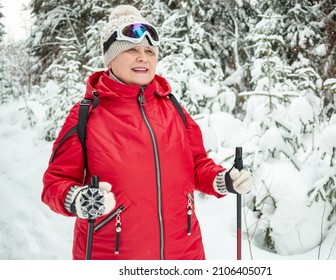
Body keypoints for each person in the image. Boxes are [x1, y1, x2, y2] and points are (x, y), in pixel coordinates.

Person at [41, 5, 253, 260]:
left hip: (184, 255)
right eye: (131, 49)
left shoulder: (173, 108)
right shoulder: (86, 116)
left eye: (149, 51)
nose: (143, 57)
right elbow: (54, 184)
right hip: (112, 256)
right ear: (110, 58)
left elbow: (196, 165)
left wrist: (225, 180)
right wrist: (80, 199)